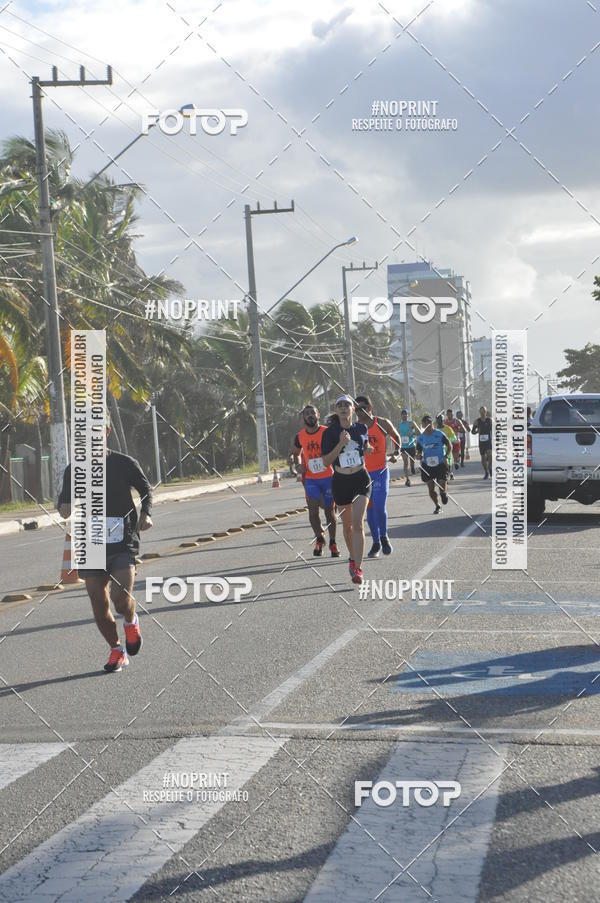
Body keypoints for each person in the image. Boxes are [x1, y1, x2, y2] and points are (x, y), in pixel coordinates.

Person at [57, 413, 152, 673]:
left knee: (121, 600)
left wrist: (146, 514)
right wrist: (64, 508)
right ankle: (116, 650)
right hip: (91, 543)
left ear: (106, 433)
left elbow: (145, 489)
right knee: (99, 604)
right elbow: (64, 502)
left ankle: (131, 621)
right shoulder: (74, 470)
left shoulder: (124, 464)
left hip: (123, 540)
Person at [321, 395, 373, 584]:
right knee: (348, 526)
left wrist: (368, 448)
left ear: (353, 410)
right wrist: (341, 444)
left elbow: (365, 443)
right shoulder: (329, 433)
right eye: (340, 405)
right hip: (341, 480)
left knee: (358, 524)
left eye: (347, 405)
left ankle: (358, 569)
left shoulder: (361, 428)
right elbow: (326, 461)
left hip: (361, 478)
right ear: (336, 411)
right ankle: (352, 558)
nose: (343, 408)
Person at [290, 404, 339, 557]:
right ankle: (319, 537)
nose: (310, 415)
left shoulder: (327, 431)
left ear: (318, 415)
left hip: (328, 477)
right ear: (303, 418)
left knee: (329, 511)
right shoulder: (300, 436)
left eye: (313, 413)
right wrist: (297, 464)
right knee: (312, 510)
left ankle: (333, 541)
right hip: (311, 478)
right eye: (307, 413)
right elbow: (294, 453)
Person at [355, 395, 400, 558]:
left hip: (381, 472)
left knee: (380, 507)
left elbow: (397, 438)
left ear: (370, 408)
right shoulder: (355, 428)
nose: (360, 412)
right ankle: (376, 543)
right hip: (363, 474)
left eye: (363, 408)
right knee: (370, 510)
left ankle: (384, 536)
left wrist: (397, 452)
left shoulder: (382, 423)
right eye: (357, 409)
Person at [415, 414, 452, 514]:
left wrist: (446, 456)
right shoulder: (421, 438)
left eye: (429, 422)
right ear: (422, 425)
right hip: (427, 466)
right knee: (431, 489)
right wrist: (419, 455)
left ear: (432, 424)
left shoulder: (439, 434)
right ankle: (437, 506)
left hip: (440, 464)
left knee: (441, 485)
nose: (428, 424)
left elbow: (449, 445)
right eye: (425, 423)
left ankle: (443, 493)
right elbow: (418, 451)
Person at [396, 409, 419, 486]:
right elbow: (396, 434)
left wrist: (413, 433)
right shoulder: (399, 424)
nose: (404, 415)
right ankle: (407, 479)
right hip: (403, 447)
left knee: (412, 463)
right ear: (401, 416)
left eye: (405, 414)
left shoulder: (411, 423)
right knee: (405, 463)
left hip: (411, 445)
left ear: (408, 415)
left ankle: (412, 468)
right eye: (402, 414)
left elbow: (418, 432)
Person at [472, 405, 493, 479]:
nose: (482, 413)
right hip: (481, 442)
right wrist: (477, 431)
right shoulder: (477, 421)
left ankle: (490, 467)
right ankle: (486, 472)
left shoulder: (490, 420)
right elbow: (472, 432)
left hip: (488, 441)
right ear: (479, 412)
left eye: (484, 411)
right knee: (483, 458)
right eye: (481, 411)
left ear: (486, 412)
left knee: (490, 454)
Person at [436, 414, 457, 480]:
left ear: (443, 420)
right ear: (436, 420)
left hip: (448, 448)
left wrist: (447, 441)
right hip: (438, 449)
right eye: (438, 419)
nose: (440, 421)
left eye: (441, 419)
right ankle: (444, 475)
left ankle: (450, 473)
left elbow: (454, 438)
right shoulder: (435, 430)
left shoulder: (448, 428)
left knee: (448, 462)